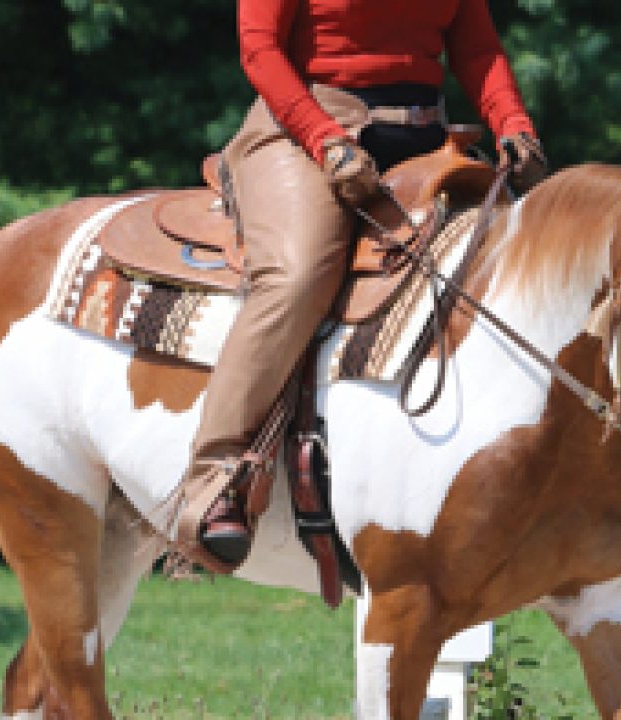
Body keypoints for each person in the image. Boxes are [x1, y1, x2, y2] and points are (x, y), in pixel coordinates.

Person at [172, 0, 548, 571]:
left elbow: (477, 48)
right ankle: (216, 478)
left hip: (425, 137)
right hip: (301, 130)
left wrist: (513, 125)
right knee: (299, 275)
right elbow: (260, 49)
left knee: (511, 265)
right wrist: (325, 139)